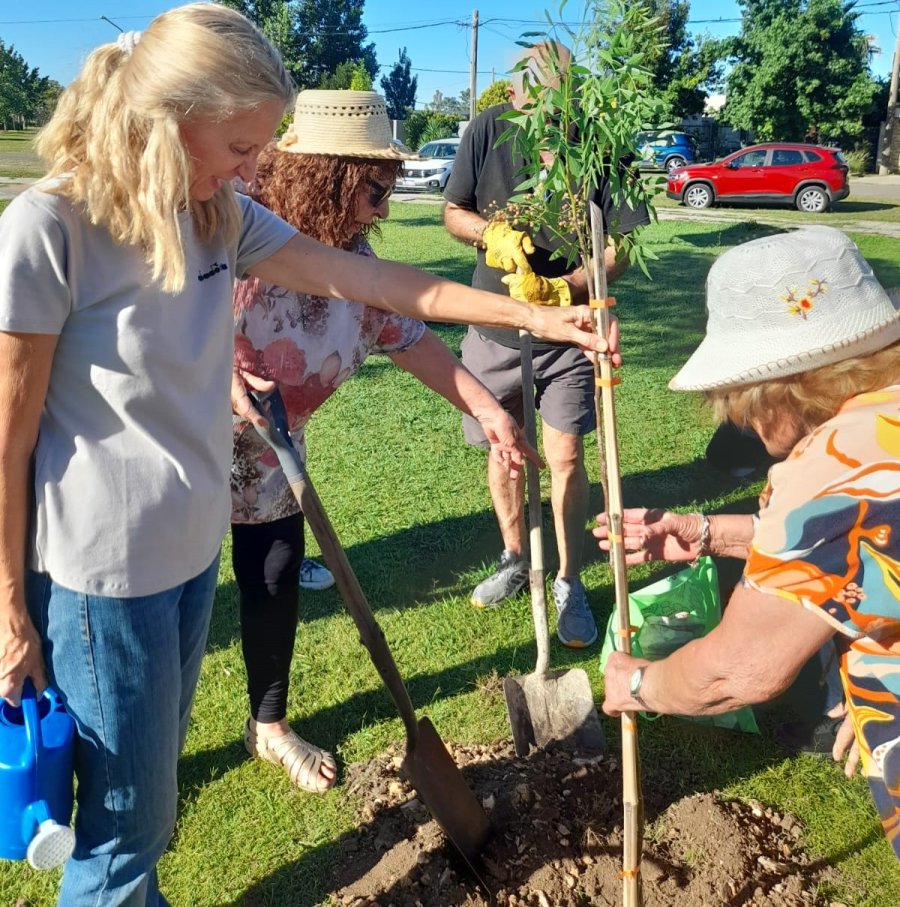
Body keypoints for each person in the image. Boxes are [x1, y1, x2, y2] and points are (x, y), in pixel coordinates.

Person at [0, 6, 613, 903]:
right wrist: (11, 605)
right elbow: (9, 437)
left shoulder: (219, 216)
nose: (259, 166)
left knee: (149, 813)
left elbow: (373, 280)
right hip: (102, 577)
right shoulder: (49, 229)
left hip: (187, 556)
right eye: (245, 142)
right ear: (175, 118)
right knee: (124, 833)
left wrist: (537, 313)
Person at [232, 90, 539, 792]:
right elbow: (175, 303)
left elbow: (412, 334)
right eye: (373, 190)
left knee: (275, 574)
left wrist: (487, 406)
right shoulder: (239, 220)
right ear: (328, 175)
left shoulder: (354, 258)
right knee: (173, 599)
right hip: (185, 437)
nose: (383, 209)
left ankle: (269, 724)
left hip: (271, 450)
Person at [596, 226, 900, 857]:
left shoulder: (836, 467)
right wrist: (708, 533)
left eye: (736, 403)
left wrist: (638, 686)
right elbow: (860, 546)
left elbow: (738, 672)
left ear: (777, 390)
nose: (740, 421)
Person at [443, 41, 648, 647]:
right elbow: (453, 211)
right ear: (514, 94)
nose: (539, 114)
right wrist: (491, 234)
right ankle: (514, 556)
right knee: (504, 448)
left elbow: (626, 244)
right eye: (529, 100)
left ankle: (568, 579)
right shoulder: (487, 130)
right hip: (495, 325)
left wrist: (569, 286)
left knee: (564, 458)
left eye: (554, 103)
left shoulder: (600, 141)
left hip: (570, 333)